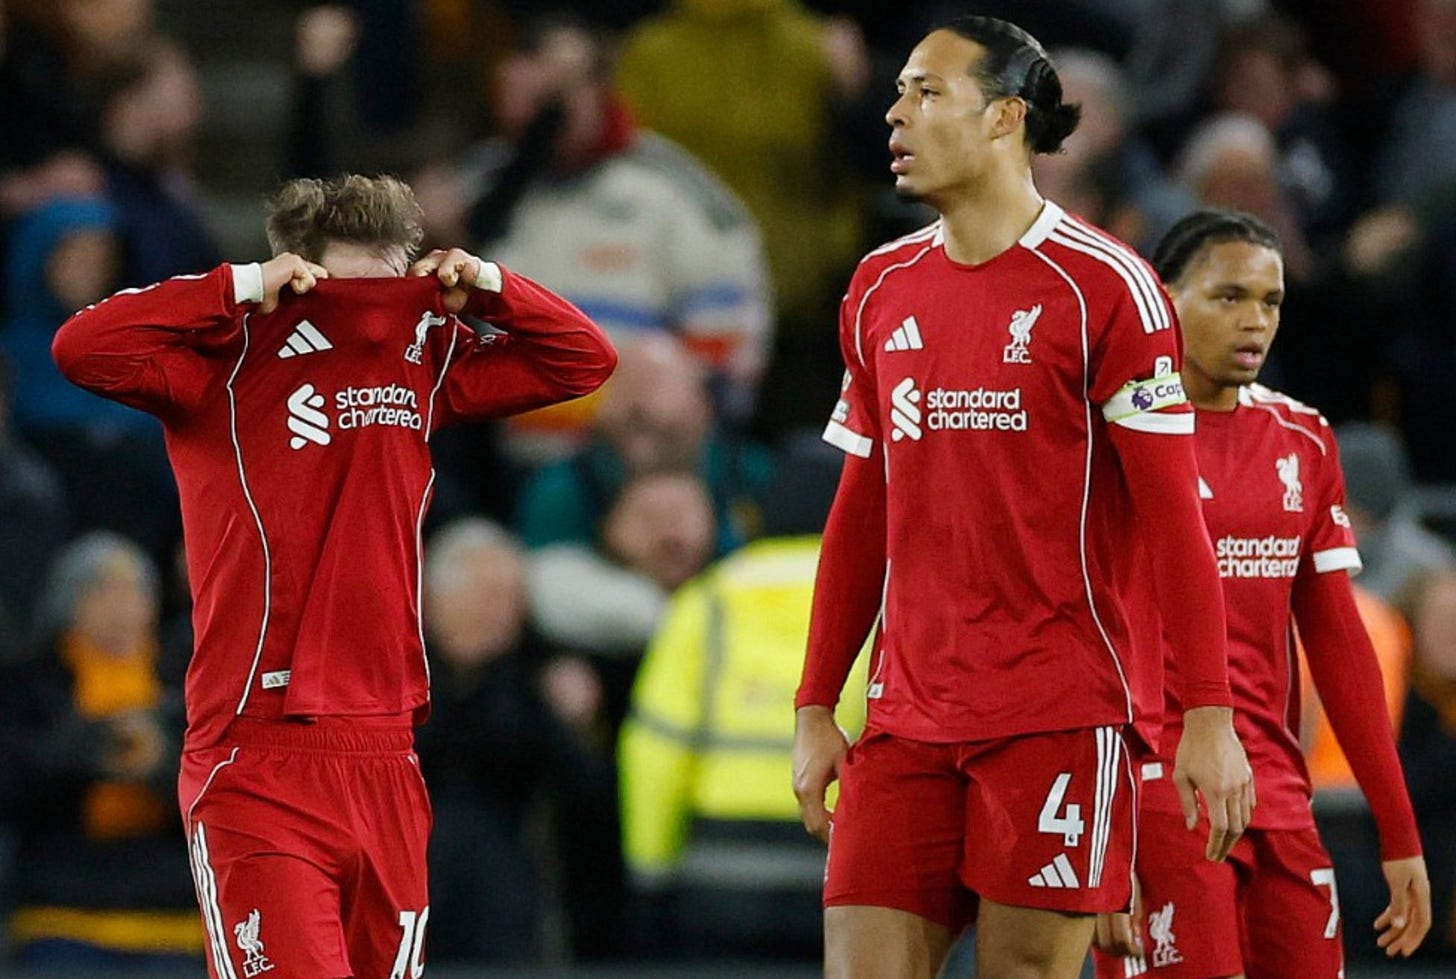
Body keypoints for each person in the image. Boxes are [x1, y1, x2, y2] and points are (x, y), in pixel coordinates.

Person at [50, 173, 616, 979]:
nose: (371, 323)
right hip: (257, 752)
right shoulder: (223, 363)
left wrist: (491, 286)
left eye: (390, 295)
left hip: (388, 751)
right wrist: (239, 286)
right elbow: (82, 347)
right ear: (294, 277)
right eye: (346, 299)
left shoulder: (422, 359)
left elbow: (583, 359)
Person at [790, 17, 1253, 979]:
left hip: (1057, 713)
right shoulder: (878, 286)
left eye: (927, 92)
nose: (895, 113)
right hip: (905, 715)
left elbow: (1176, 522)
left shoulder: (1107, 288)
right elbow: (863, 512)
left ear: (1005, 118)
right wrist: (815, 702)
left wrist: (1207, 717)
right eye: (898, 90)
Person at [1092, 210, 1431, 978]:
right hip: (1159, 792)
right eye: (1228, 296)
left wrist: (1399, 829)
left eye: (1270, 301)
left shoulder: (1301, 438)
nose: (1255, 321)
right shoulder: (1106, 440)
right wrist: (1103, 837)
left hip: (1277, 794)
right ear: (1164, 299)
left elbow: (1338, 643)